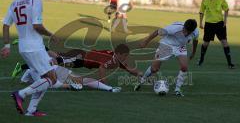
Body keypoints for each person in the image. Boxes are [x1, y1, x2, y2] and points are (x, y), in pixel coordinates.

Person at [0, 0, 61, 116]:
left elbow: (5, 25)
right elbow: (37, 26)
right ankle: (21, 94)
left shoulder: (14, 2)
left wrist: (7, 46)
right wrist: (52, 35)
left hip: (24, 47)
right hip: (34, 47)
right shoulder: (36, 0)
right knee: (52, 79)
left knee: (44, 78)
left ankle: (31, 110)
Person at [12, 44, 143, 84]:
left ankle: (37, 52)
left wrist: (140, 74)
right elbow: (102, 69)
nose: (126, 58)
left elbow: (129, 69)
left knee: (54, 59)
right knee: (54, 60)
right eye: (125, 55)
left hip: (81, 61)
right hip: (80, 57)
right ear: (119, 54)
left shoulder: (117, 59)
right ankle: (38, 47)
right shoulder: (109, 58)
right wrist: (105, 83)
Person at [134, 19, 199, 97]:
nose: (186, 33)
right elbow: (157, 32)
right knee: (154, 69)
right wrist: (145, 41)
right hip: (166, 45)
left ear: (192, 30)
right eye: (185, 30)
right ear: (184, 27)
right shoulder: (173, 29)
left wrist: (194, 52)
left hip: (180, 47)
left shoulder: (195, 32)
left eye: (188, 32)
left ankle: (177, 89)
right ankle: (142, 80)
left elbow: (195, 41)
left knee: (184, 67)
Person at [198, 0, 235, 69]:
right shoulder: (205, 0)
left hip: (219, 24)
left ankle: (230, 63)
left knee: (225, 42)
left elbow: (226, 9)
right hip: (209, 24)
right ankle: (201, 59)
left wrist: (225, 21)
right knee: (205, 43)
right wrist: (200, 22)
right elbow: (201, 11)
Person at [20, 65, 122, 93]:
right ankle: (110, 89)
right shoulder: (31, 71)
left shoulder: (41, 64)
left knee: (80, 80)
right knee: (76, 81)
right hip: (51, 74)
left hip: (55, 70)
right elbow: (43, 84)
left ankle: (110, 89)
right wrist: (69, 86)